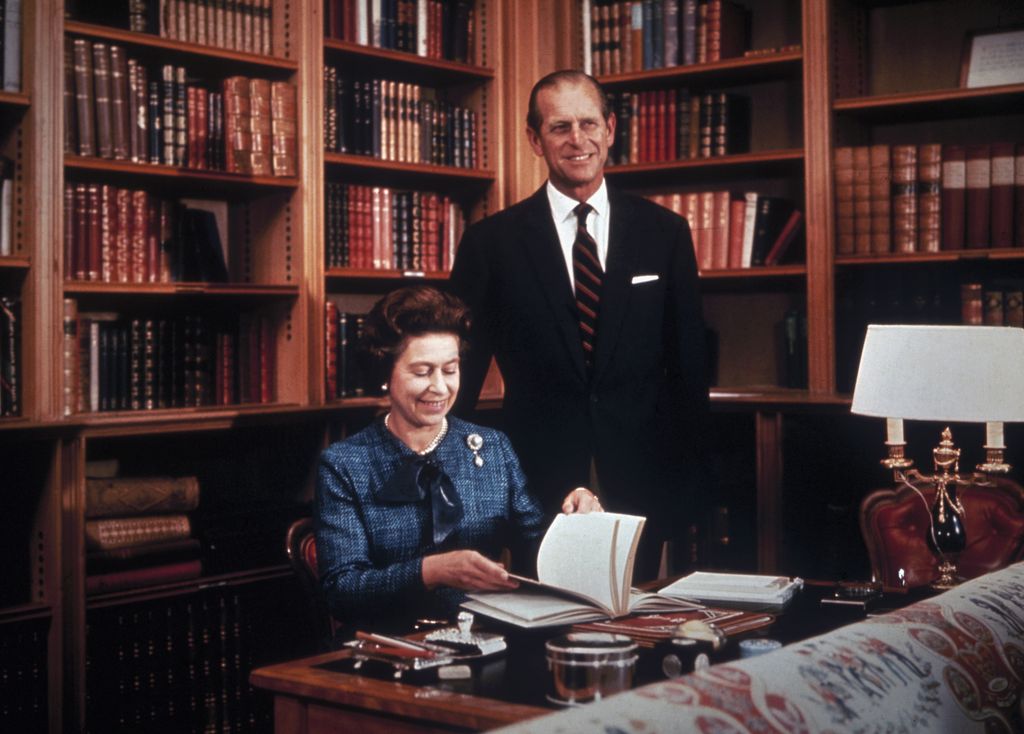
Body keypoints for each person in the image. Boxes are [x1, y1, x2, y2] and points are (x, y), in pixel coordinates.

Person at [449, 70, 709, 581]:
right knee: (543, 631)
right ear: (535, 139)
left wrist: (689, 491)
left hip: (641, 476)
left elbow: (689, 372)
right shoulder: (491, 243)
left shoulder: (665, 234)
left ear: (611, 129)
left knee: (639, 628)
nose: (577, 140)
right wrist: (458, 482)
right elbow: (461, 371)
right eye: (560, 126)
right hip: (534, 480)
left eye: (589, 123)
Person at [315, 286, 601, 632]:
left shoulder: (491, 447)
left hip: (487, 638)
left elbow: (538, 547)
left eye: (450, 370)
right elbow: (342, 591)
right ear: (384, 374)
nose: (440, 387)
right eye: (422, 372)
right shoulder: (346, 464)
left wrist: (577, 524)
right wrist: (431, 572)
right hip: (389, 649)